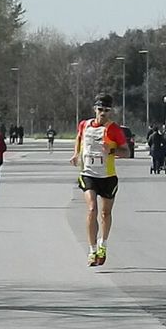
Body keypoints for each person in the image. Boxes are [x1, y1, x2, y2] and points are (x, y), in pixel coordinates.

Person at [69, 93, 130, 267]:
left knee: (105, 213)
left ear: (110, 111)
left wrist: (111, 151)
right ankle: (92, 249)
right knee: (91, 209)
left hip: (108, 176)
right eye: (100, 109)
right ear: (95, 109)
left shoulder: (113, 129)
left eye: (107, 110)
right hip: (88, 174)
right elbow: (79, 138)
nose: (103, 113)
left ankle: (103, 244)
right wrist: (76, 154)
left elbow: (126, 152)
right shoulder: (85, 124)